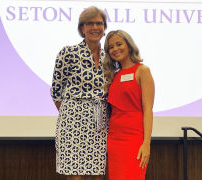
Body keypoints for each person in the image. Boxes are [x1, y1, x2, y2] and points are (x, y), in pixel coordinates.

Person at [50, 6, 109, 180]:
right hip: (72, 120)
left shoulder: (110, 57)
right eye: (89, 23)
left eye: (99, 23)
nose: (95, 27)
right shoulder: (68, 53)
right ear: (82, 28)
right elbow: (56, 91)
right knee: (75, 174)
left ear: (104, 28)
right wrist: (72, 112)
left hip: (100, 121)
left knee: (98, 173)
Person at [103, 30, 155, 180]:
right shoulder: (114, 75)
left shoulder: (142, 71)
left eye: (119, 44)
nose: (115, 49)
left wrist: (146, 144)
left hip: (134, 139)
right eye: (111, 47)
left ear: (129, 45)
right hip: (114, 140)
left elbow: (148, 110)